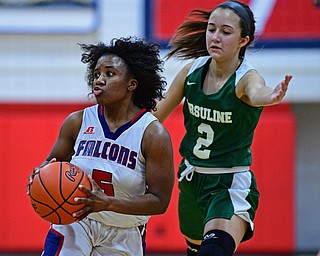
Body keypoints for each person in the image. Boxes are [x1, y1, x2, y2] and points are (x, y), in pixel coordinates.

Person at [153, 1, 293, 255]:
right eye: (211, 29)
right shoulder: (192, 70)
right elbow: (155, 117)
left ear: (243, 40)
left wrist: (270, 96)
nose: (215, 37)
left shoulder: (246, 78)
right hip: (192, 179)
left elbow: (256, 92)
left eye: (226, 32)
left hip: (228, 183)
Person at [27, 36, 174, 256]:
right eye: (96, 74)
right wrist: (40, 174)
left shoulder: (153, 134)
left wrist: (108, 203)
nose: (99, 80)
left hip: (124, 231)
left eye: (109, 74)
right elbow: (52, 162)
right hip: (77, 221)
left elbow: (160, 201)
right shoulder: (77, 122)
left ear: (131, 84)